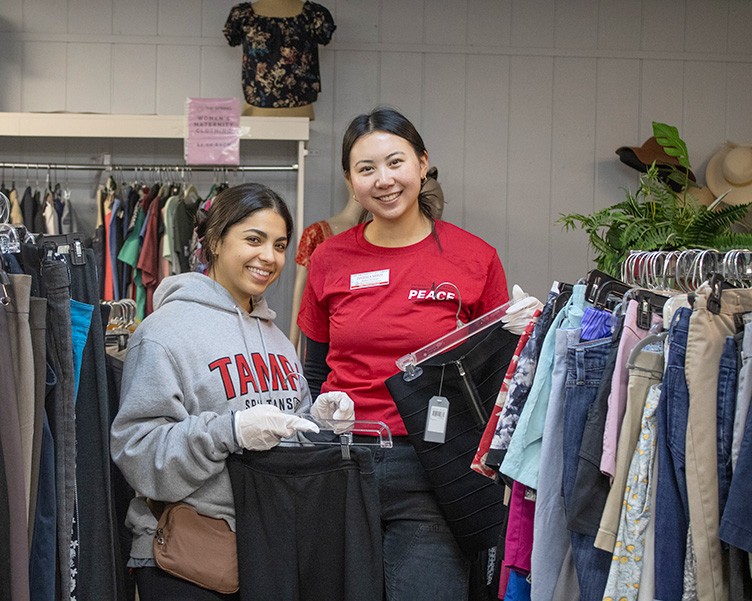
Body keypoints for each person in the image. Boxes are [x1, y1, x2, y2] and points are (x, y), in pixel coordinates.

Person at [297, 107, 510, 600]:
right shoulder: (329, 259)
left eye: (395, 162)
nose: (384, 180)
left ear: (421, 164)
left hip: (433, 469)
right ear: (350, 182)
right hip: (343, 462)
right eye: (366, 169)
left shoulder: (474, 258)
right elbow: (313, 366)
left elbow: (498, 376)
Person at [110, 183, 352, 601]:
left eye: (279, 245)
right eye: (253, 240)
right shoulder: (163, 333)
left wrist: (320, 424)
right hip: (187, 561)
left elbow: (284, 431)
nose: (270, 257)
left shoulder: (277, 338)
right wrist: (230, 431)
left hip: (268, 552)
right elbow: (138, 454)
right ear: (216, 242)